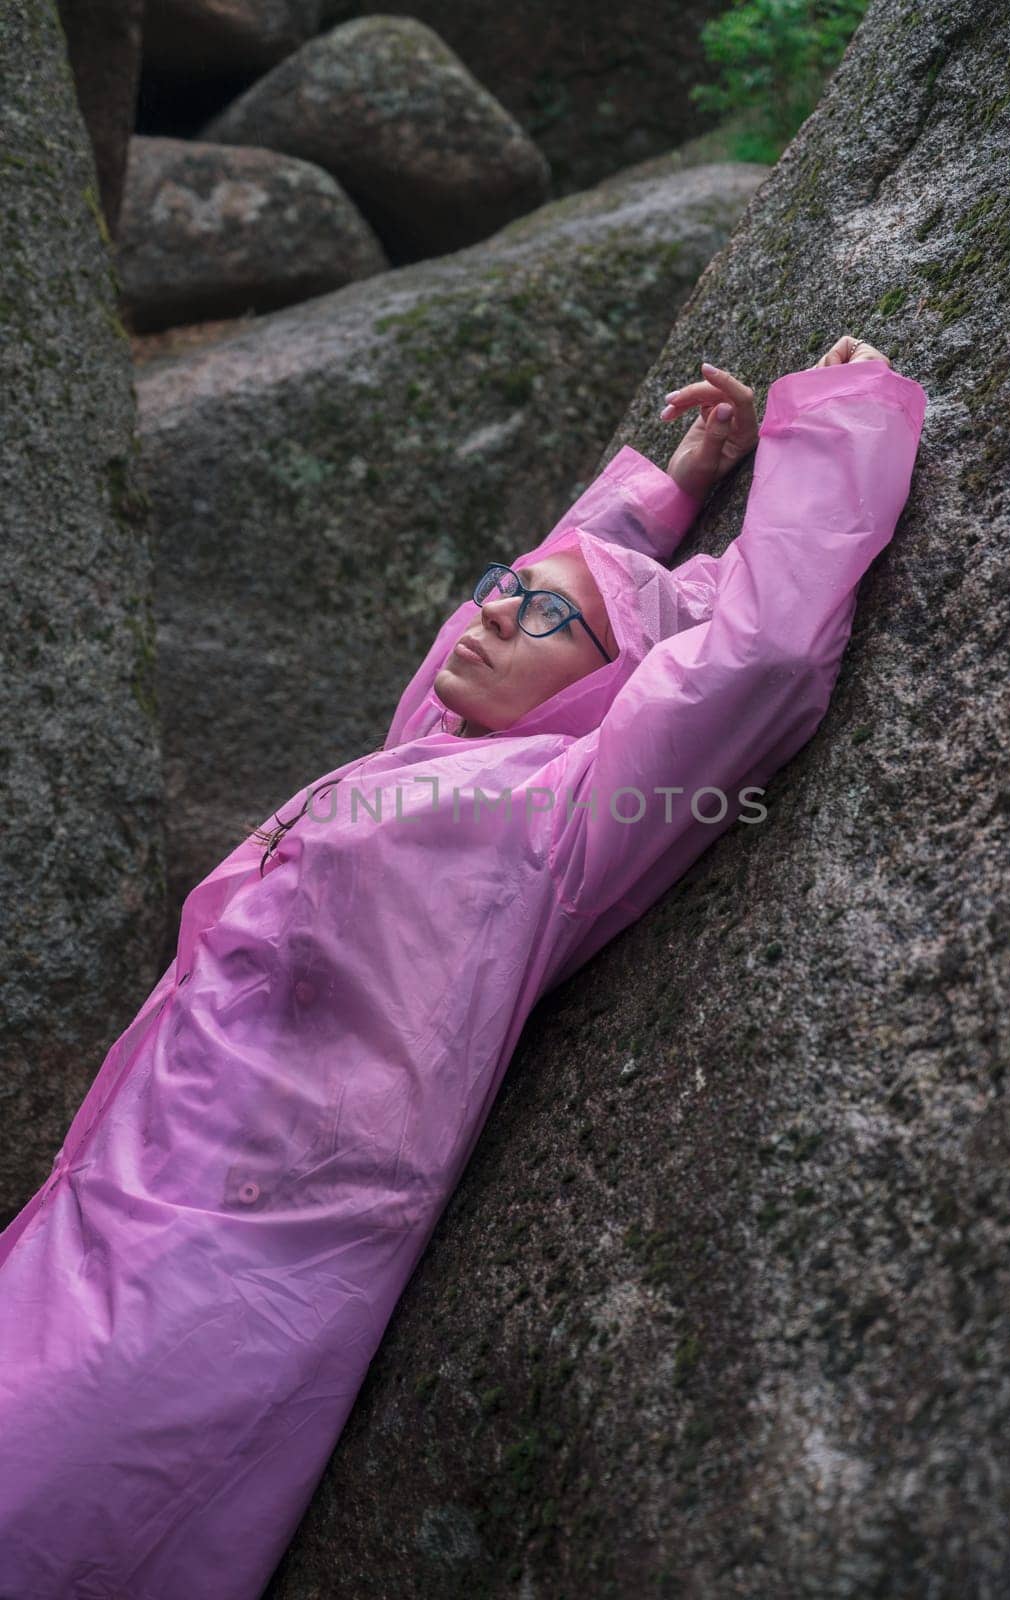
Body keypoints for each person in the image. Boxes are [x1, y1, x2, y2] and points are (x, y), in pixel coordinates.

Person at [0, 335, 927, 1599]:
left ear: (609, 684)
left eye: (545, 615)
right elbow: (493, 626)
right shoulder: (425, 760)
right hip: (106, 1200)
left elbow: (753, 661)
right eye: (505, 585)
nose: (495, 611)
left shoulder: (566, 811)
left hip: (223, 1270)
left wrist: (833, 426)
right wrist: (665, 485)